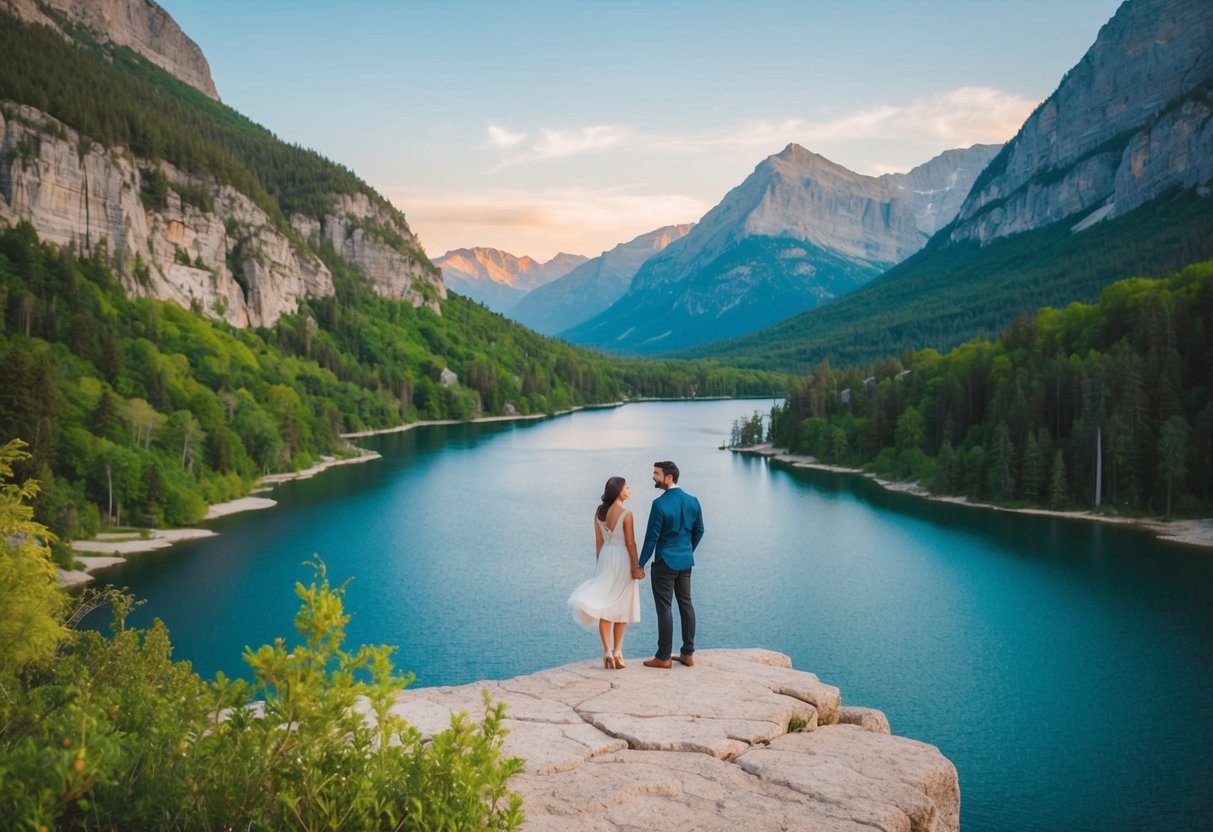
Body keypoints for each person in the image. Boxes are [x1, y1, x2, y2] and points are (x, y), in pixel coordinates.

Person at [567, 476, 645, 669]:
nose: (629, 490)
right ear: (619, 491)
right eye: (627, 487)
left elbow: (599, 541)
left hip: (605, 558)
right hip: (622, 559)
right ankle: (618, 651)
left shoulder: (599, 512)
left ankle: (607, 651)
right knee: (621, 605)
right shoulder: (626, 514)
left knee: (605, 605)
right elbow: (630, 543)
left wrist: (599, 564)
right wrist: (636, 566)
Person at [638, 460, 704, 669]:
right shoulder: (693, 500)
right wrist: (687, 550)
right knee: (686, 604)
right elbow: (699, 530)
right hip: (685, 562)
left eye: (656, 473)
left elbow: (651, 538)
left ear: (669, 477)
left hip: (665, 562)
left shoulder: (659, 504)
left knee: (664, 608)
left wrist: (640, 564)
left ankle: (664, 656)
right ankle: (688, 653)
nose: (653, 477)